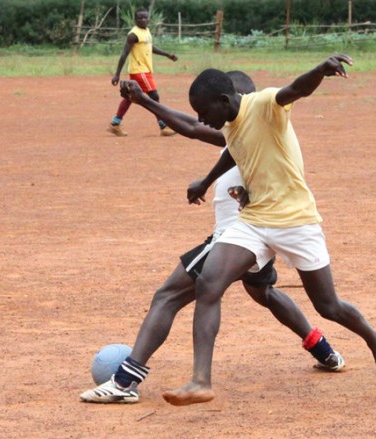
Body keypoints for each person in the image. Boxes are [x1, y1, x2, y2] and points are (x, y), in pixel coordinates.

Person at [79, 71, 345, 404]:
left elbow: (191, 127)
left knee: (168, 295)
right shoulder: (240, 132)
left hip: (237, 235)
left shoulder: (246, 126)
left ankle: (125, 382)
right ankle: (323, 349)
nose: (213, 120)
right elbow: (193, 125)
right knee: (262, 291)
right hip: (259, 233)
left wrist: (145, 101)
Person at [157, 54, 376, 406]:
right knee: (210, 281)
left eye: (202, 110)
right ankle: (200, 381)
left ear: (223, 101)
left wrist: (319, 70)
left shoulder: (264, 104)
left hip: (296, 219)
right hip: (254, 220)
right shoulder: (231, 123)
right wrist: (206, 181)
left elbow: (295, 89)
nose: (200, 119)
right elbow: (234, 151)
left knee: (328, 305)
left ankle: (375, 339)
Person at [107, 7, 177, 137]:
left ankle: (115, 124)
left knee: (129, 97)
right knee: (154, 97)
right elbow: (124, 54)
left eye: (145, 17)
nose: (143, 20)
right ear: (135, 19)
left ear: (148, 19)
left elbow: (149, 47)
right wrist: (117, 74)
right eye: (140, 18)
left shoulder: (146, 31)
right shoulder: (133, 34)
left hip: (144, 70)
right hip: (140, 71)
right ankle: (163, 126)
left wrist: (167, 54)